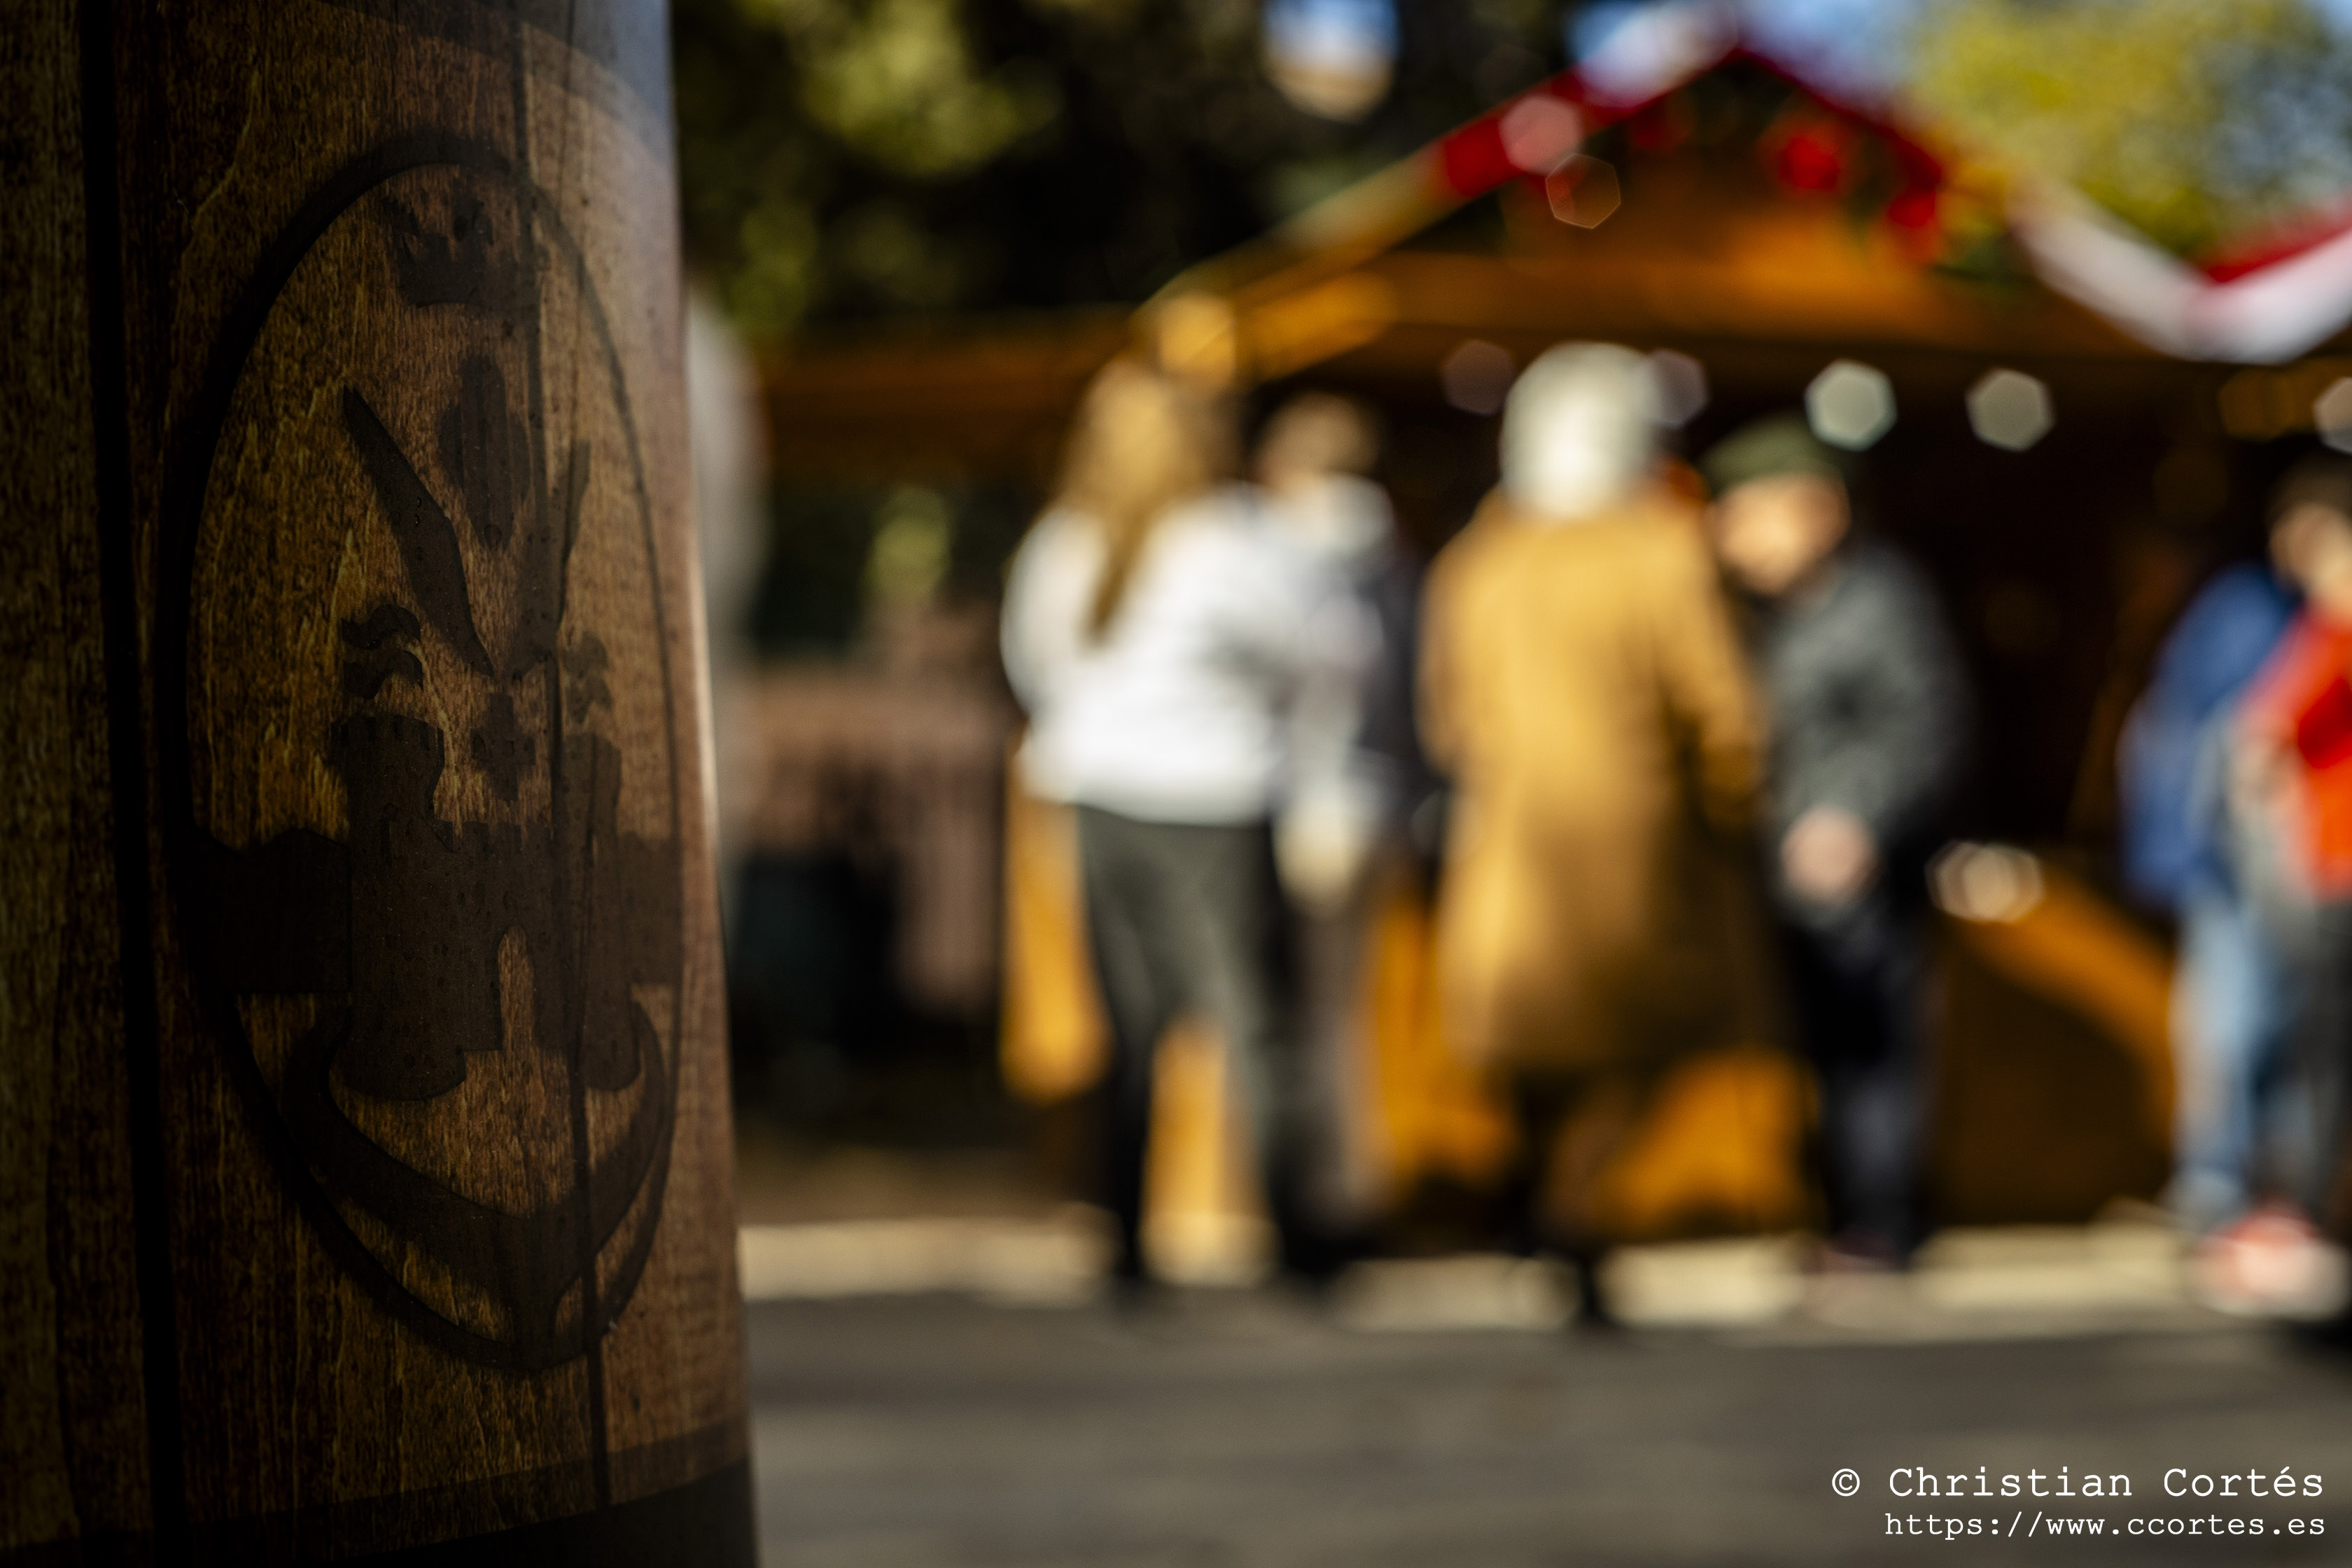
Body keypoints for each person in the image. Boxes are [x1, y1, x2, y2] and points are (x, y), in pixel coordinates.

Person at [1000, 358, 1365, 1294]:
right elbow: (1319, 657)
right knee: (1251, 1022)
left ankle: (1126, 1240)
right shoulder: (1228, 542)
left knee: (1131, 1026)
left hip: (1097, 796)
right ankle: (1296, 1236)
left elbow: (1036, 670)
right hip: (1216, 799)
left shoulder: (1061, 545)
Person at [1420, 343, 1763, 1322]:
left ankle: (1548, 1209)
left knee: (1531, 1047)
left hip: (1509, 845)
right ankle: (1572, 1214)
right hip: (1637, 848)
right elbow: (1721, 708)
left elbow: (1446, 717)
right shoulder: (1662, 550)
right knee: (1636, 1041)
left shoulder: (1479, 560)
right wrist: (1734, 806)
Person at [1701, 414, 1966, 1268]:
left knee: (1872, 1054)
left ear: (1817, 510)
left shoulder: (1880, 600)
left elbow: (1924, 726)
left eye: (1748, 511)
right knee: (1819, 1052)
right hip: (1782, 869)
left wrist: (1855, 816)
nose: (1728, 534)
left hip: (1859, 868)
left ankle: (1880, 1220)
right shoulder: (1756, 614)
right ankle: (1834, 1212)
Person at [1254, 391, 1437, 1243]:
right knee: (1354, 1017)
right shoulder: (1394, 561)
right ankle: (1355, 1184)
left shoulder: (1272, 550)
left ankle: (1319, 1199)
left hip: (1304, 809)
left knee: (1304, 1021)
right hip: (1381, 808)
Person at [2115, 545, 2298, 1242]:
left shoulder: (2238, 618)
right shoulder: (2234, 619)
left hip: (2248, 862)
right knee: (2240, 1022)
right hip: (2239, 862)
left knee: (2238, 1023)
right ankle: (2242, 1188)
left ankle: (2232, 1186)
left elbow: (2241, 750)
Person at [2239, 456, 2352, 1257]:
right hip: (2325, 861)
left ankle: (2312, 1210)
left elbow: (2262, 732)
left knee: (2322, 1053)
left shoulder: (2335, 624)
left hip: (2335, 865)